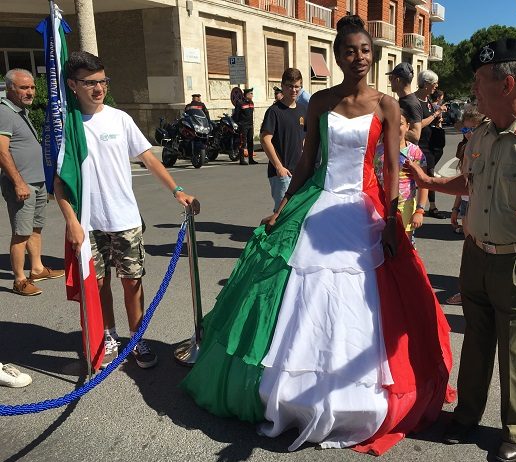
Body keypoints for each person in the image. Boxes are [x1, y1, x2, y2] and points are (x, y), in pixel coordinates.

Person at [182, 15, 454, 455]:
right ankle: (286, 389)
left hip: (364, 209)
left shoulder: (386, 105)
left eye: (365, 50)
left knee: (364, 300)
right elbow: (308, 162)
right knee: (296, 295)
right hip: (319, 205)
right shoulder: (320, 102)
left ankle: (355, 394)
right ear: (336, 55)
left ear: (374, 54)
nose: (358, 57)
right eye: (349, 50)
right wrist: (282, 208)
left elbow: (388, 168)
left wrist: (390, 219)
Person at [405, 38, 516, 462]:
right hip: (476, 255)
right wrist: (431, 185)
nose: (473, 89)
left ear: (505, 83)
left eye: (479, 81)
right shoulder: (482, 133)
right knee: (478, 342)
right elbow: (471, 182)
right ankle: (466, 416)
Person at [54, 51, 199, 369]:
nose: (98, 88)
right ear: (72, 85)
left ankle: (136, 338)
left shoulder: (119, 119)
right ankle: (109, 335)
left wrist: (177, 191)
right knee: (101, 282)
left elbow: (148, 158)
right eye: (90, 83)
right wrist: (72, 223)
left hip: (125, 219)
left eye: (102, 81)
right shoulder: (68, 127)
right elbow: (60, 183)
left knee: (132, 281)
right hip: (90, 222)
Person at [0, 68, 64, 296]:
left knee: (36, 228)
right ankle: (19, 280)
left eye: (32, 87)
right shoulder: (4, 113)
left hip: (36, 182)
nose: (30, 92)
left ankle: (36, 268)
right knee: (21, 233)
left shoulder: (20, 111)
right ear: (10, 89)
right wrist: (18, 182)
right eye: (23, 87)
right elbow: (2, 152)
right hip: (22, 184)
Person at [446, 104, 485, 306]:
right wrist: (455, 207)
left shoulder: (488, 147)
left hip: (482, 205)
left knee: (477, 251)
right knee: (470, 250)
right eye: (465, 130)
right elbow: (462, 181)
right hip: (467, 205)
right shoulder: (464, 147)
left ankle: (470, 292)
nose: (468, 134)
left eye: (473, 129)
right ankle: (467, 291)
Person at [373, 109, 427, 246]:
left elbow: (424, 184)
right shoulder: (376, 151)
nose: (395, 128)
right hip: (379, 207)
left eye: (400, 124)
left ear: (408, 126)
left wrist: (420, 210)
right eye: (390, 124)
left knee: (405, 247)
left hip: (406, 208)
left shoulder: (415, 152)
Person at [260, 68, 306, 211]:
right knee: (282, 212)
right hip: (282, 173)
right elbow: (265, 139)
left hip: (299, 172)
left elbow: (304, 140)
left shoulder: (303, 110)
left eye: (297, 86)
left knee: (297, 212)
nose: (293, 90)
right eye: (289, 86)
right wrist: (279, 167)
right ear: (282, 86)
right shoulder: (274, 111)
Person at [414, 69, 447, 219]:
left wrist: (437, 118)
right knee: (423, 178)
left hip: (429, 144)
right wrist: (435, 114)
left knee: (429, 176)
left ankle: (428, 207)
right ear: (426, 84)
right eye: (434, 83)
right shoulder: (414, 101)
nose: (436, 86)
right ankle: (419, 208)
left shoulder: (426, 100)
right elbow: (418, 125)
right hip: (418, 146)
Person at [387, 62, 422, 143]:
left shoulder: (411, 103)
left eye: (390, 78)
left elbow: (416, 135)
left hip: (406, 153)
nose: (390, 82)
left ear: (397, 80)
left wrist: (390, 130)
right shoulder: (403, 100)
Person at [233, 87, 256, 165]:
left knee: (250, 142)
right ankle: (242, 160)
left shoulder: (251, 102)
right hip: (243, 126)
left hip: (250, 125)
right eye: (251, 94)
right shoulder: (240, 103)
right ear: (247, 94)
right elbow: (236, 115)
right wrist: (239, 124)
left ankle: (251, 159)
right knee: (243, 142)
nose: (252, 95)